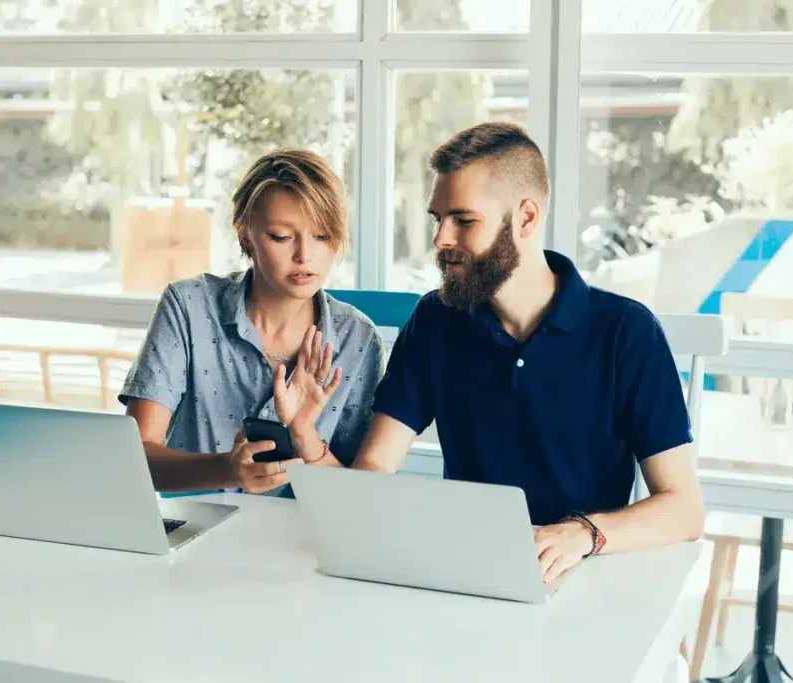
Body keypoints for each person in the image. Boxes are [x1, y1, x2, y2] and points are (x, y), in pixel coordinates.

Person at [290, 122, 705, 583]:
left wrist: (582, 534)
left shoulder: (627, 332)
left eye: (463, 220)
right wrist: (306, 435)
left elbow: (684, 510)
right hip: (466, 574)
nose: (441, 239)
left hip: (584, 576)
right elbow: (372, 475)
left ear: (526, 218)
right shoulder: (436, 320)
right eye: (437, 218)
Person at [119, 148, 384, 497]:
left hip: (302, 542)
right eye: (281, 236)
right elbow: (134, 457)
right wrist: (227, 469)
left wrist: (304, 435)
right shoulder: (188, 306)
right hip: (195, 532)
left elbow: (359, 497)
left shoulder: (359, 339)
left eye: (322, 236)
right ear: (246, 235)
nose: (305, 256)